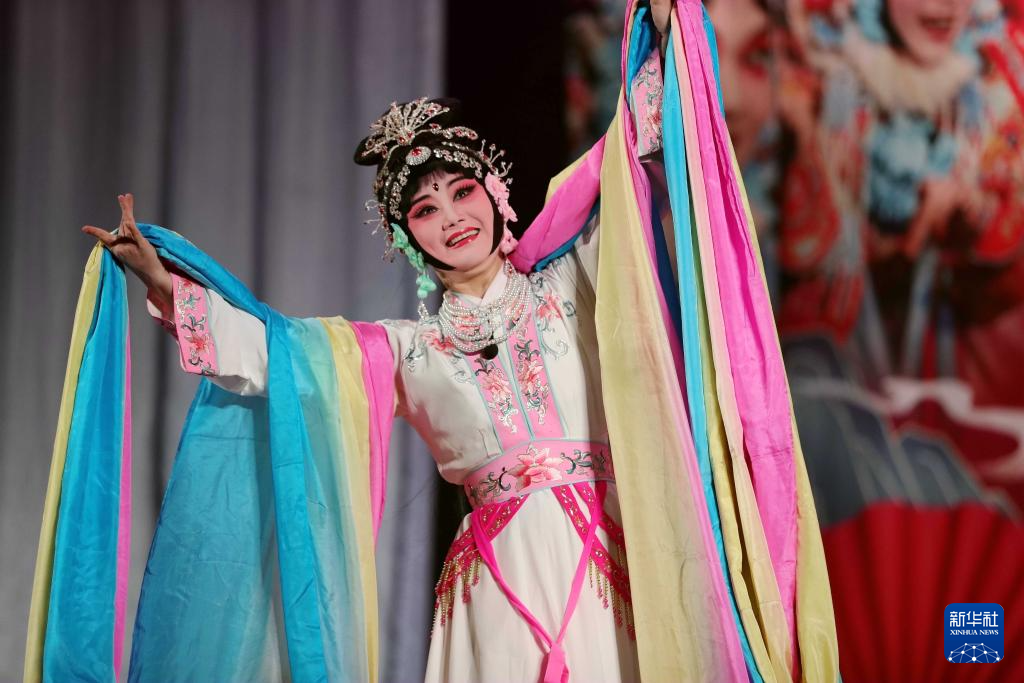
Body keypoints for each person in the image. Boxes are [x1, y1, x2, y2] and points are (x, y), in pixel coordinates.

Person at [28, 2, 840, 682]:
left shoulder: (574, 279)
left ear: (497, 195)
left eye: (461, 191)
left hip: (615, 567)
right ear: (405, 239)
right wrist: (164, 284)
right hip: (494, 594)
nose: (452, 216)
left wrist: (663, 30)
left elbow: (633, 150)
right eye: (424, 210)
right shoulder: (406, 352)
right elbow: (276, 356)